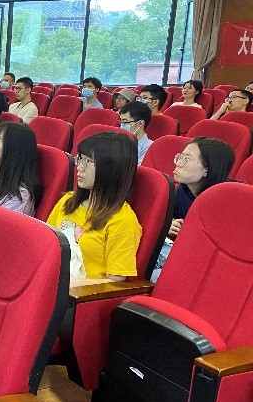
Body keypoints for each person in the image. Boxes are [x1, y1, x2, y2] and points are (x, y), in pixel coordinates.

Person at [46, 132, 142, 283]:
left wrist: (67, 284)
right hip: (51, 280)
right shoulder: (68, 201)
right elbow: (46, 242)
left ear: (110, 170)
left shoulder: (122, 220)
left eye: (88, 161)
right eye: (80, 159)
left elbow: (115, 281)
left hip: (80, 292)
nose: (79, 167)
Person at [151, 137, 235, 282]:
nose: (178, 163)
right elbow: (171, 219)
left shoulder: (232, 199)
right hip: (186, 254)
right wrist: (169, 225)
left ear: (208, 168)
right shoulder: (182, 191)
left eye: (187, 159)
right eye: (180, 157)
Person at [118, 100, 153, 164]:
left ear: (140, 123)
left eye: (125, 122)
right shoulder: (118, 141)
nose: (122, 126)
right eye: (121, 122)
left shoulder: (149, 147)